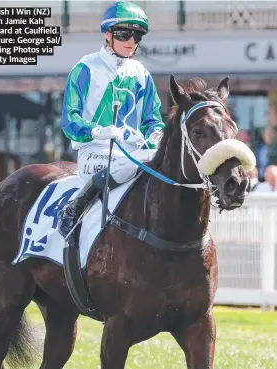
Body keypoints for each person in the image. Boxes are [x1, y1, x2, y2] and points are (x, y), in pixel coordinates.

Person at [58, 1, 165, 244]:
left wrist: (153, 138)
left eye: (137, 35)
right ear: (108, 35)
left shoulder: (141, 73)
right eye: (124, 33)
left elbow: (153, 120)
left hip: (133, 150)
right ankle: (74, 209)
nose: (131, 40)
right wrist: (97, 131)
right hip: (93, 151)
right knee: (126, 166)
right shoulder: (85, 67)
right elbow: (69, 120)